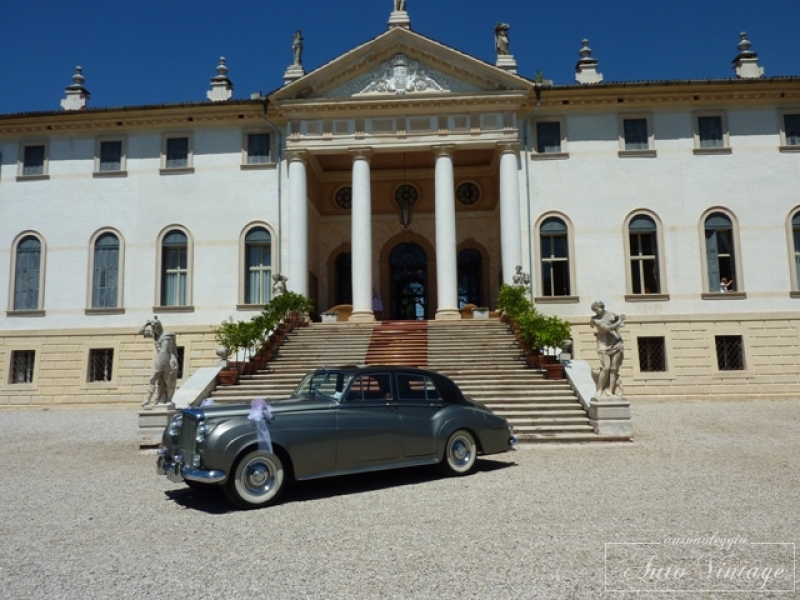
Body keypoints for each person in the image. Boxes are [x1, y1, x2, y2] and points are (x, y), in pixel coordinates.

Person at [139, 316, 179, 408]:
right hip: (160, 359)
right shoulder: (154, 334)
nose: (154, 329)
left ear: (159, 326)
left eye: (155, 327)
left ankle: (169, 399)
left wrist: (160, 366)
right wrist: (146, 324)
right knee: (153, 379)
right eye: (152, 328)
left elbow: (164, 350)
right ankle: (148, 399)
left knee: (168, 381)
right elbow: (140, 332)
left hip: (169, 360)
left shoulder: (167, 335)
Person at [589, 301, 625, 399]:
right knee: (606, 367)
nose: (596, 312)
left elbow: (620, 323)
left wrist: (621, 322)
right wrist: (619, 321)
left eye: (596, 309)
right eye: (594, 310)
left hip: (615, 342)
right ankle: (600, 390)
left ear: (602, 307)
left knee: (614, 369)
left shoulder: (611, 314)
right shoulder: (595, 319)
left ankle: (610, 391)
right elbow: (608, 328)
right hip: (603, 344)